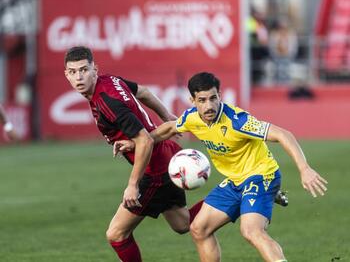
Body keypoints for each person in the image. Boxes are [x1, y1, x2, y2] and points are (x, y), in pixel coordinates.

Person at [114, 72, 327, 262]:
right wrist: (136, 143)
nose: (209, 106)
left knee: (251, 230)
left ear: (220, 95)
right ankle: (270, 195)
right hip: (235, 182)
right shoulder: (192, 118)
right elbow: (168, 129)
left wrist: (304, 169)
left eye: (213, 98)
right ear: (192, 100)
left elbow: (283, 134)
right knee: (198, 228)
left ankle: (270, 194)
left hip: (261, 176)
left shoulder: (237, 120)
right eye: (203, 100)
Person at [63, 46, 203, 262]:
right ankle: (237, 196)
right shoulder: (109, 81)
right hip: (165, 155)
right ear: (67, 75)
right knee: (183, 224)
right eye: (73, 72)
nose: (79, 76)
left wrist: (132, 184)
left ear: (95, 69)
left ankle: (235, 194)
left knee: (117, 234)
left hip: (154, 169)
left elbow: (144, 141)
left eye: (84, 69)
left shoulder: (107, 102)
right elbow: (144, 92)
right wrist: (166, 116)